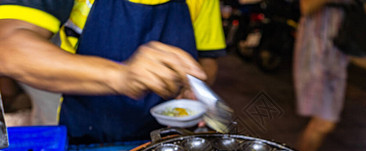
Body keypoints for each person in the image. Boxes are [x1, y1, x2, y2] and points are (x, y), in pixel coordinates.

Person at [0, 0, 225, 143]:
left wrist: (192, 87)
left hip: (165, 137)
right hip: (85, 133)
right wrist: (121, 75)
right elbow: (8, 47)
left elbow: (208, 60)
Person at [293, 0, 350, 151]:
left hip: (336, 51)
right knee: (325, 121)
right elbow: (306, 6)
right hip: (318, 49)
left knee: (324, 121)